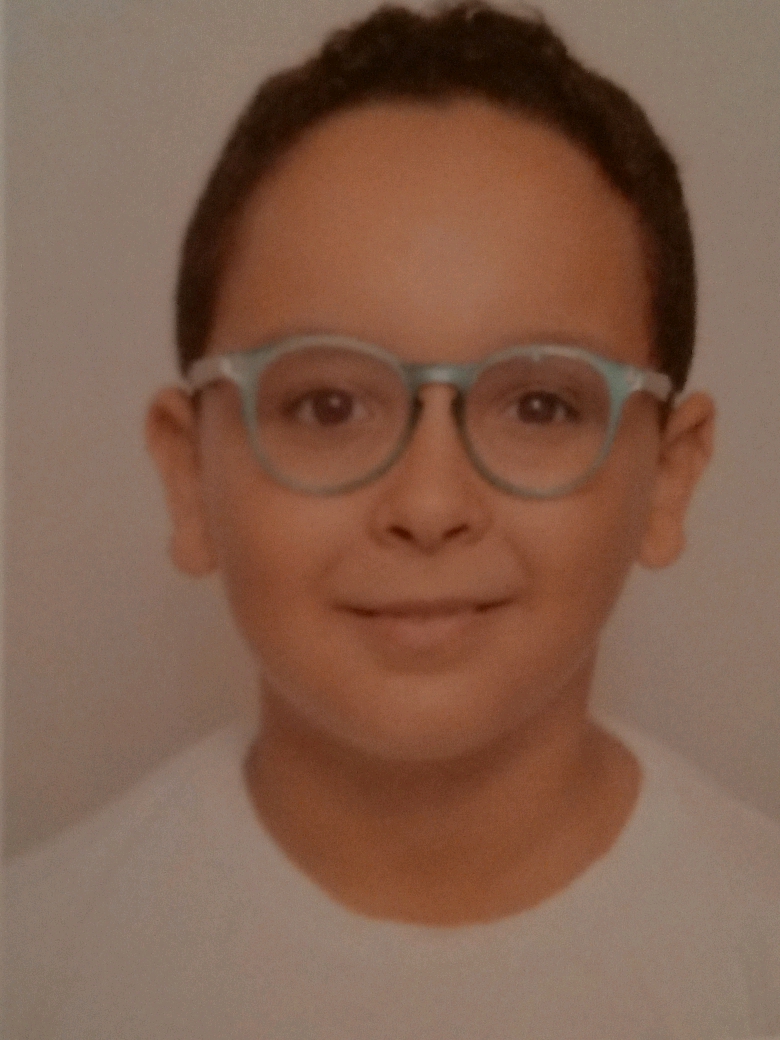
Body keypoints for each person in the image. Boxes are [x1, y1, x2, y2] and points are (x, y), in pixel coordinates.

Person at [6, 4, 779, 1038]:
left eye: (538, 404)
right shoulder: (37, 967)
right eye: (328, 404)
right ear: (189, 475)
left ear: (670, 477)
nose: (429, 505)